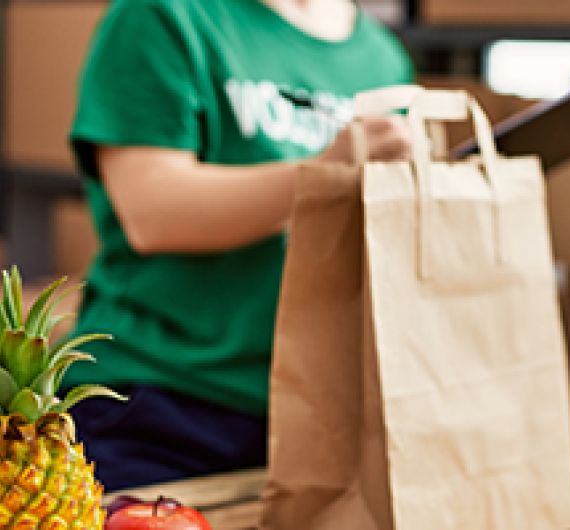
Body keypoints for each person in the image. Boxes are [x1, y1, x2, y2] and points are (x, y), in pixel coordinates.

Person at [65, 0, 414, 492]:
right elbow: (152, 211)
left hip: (319, 418)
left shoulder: (381, 56)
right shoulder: (164, 15)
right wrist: (322, 173)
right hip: (161, 403)